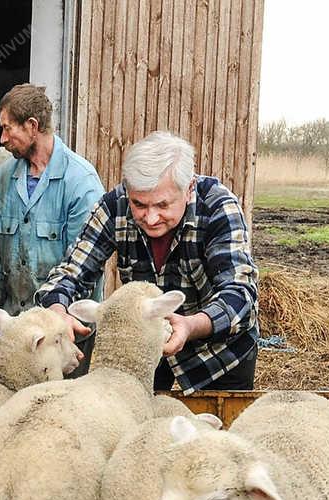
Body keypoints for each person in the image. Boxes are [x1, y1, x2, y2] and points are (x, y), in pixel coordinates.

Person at [35, 130, 259, 393]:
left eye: (162, 205)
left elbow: (239, 295)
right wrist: (58, 311)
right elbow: (70, 272)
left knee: (216, 429)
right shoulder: (114, 206)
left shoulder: (218, 208)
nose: (150, 218)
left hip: (219, 354)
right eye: (139, 204)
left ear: (188, 189)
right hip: (146, 348)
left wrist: (190, 325)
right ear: (128, 190)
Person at [0, 84, 104, 372]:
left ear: (32, 126)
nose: (3, 138)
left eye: (9, 129)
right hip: (17, 328)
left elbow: (85, 268)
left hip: (64, 334)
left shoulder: (80, 183)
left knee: (60, 412)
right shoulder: (5, 177)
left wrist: (57, 321)